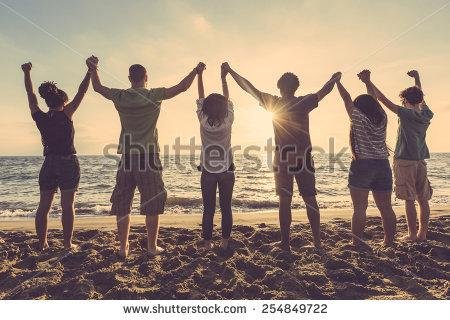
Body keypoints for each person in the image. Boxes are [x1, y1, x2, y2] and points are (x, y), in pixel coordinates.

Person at [87, 55, 204, 258]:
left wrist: (93, 68)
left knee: (123, 203)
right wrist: (196, 71)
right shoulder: (152, 95)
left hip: (127, 157)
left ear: (129, 78)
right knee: (152, 202)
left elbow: (97, 87)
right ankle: (151, 247)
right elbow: (181, 87)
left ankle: (123, 248)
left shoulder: (121, 96)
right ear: (146, 77)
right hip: (148, 156)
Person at [222, 62, 340, 250]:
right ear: (295, 87)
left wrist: (230, 71)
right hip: (304, 157)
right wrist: (334, 78)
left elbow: (248, 87)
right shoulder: (303, 102)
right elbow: (324, 90)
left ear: (279, 87)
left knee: (285, 200)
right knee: (310, 198)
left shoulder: (274, 103)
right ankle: (317, 243)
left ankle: (285, 244)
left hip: (283, 158)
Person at [21, 61, 91, 251]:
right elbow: (82, 91)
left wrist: (26, 73)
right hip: (68, 162)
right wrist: (90, 70)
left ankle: (42, 243)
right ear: (63, 102)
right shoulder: (67, 113)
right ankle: (68, 244)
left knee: (43, 206)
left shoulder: (40, 117)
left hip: (49, 163)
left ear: (47, 101)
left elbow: (30, 93)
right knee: (67, 206)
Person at [361, 69, 433, 242]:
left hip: (405, 161)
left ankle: (412, 234)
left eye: (403, 101)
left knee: (409, 199)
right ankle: (422, 234)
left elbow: (384, 101)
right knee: (423, 199)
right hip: (420, 161)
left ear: (406, 101)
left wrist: (368, 82)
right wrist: (417, 79)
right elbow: (420, 97)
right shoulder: (426, 114)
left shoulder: (406, 114)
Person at [335, 72, 396, 248]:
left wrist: (337, 82)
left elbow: (346, 98)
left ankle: (357, 243)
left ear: (358, 106)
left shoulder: (357, 117)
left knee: (360, 208)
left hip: (362, 165)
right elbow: (374, 100)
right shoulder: (383, 118)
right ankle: (389, 242)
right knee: (386, 207)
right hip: (383, 164)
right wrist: (367, 81)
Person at [195, 63, 235, 251]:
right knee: (226, 208)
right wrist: (224, 77)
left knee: (208, 209)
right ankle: (225, 243)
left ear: (206, 109)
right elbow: (226, 99)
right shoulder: (228, 120)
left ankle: (208, 243)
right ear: (224, 109)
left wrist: (199, 74)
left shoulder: (203, 120)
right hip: (227, 170)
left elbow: (201, 97)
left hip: (208, 172)